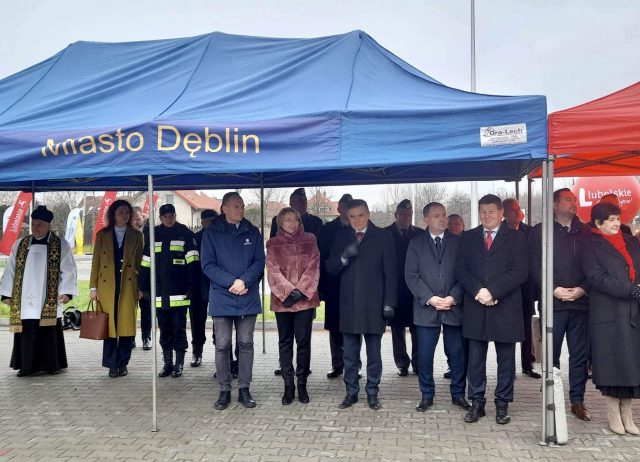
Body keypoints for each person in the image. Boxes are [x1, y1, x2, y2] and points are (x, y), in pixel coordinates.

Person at [456, 194, 528, 425]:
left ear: (501, 213)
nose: (487, 216)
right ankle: (477, 402)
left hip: (505, 307)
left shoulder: (516, 238)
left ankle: (502, 403)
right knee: (475, 359)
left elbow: (520, 271)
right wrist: (479, 292)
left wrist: (493, 292)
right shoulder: (467, 238)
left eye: (491, 211)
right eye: (483, 211)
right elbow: (461, 270)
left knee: (505, 359)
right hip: (476, 306)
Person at [327, 199, 397, 410]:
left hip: (375, 304)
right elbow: (330, 268)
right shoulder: (341, 236)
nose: (356, 220)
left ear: (368, 214)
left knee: (373, 354)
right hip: (349, 304)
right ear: (347, 217)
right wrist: (344, 257)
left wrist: (389, 303)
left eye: (360, 215)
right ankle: (351, 393)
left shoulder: (384, 236)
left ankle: (373, 393)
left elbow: (391, 273)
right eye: (352, 216)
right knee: (349, 354)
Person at [530, 188, 592, 421]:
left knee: (578, 356)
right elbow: (534, 264)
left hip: (580, 302)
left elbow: (594, 266)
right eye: (568, 199)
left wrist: (583, 288)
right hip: (553, 302)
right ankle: (551, 396)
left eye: (574, 199)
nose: (573, 202)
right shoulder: (541, 231)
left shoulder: (585, 231)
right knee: (551, 353)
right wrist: (552, 288)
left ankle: (577, 400)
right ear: (555, 204)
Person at [580, 202, 640, 435]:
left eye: (617, 219)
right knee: (614, 363)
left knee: (633, 364)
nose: (617, 224)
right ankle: (613, 412)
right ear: (598, 223)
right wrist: (630, 290)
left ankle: (628, 413)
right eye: (611, 220)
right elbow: (596, 278)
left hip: (634, 311)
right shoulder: (590, 245)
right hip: (608, 312)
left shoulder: (632, 241)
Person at [201, 192, 265, 410]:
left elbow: (259, 262)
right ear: (224, 209)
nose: (240, 210)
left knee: (246, 344)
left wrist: (244, 281)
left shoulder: (252, 231)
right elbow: (207, 265)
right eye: (236, 206)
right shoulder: (211, 233)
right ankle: (224, 390)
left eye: (242, 206)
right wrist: (231, 282)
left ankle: (244, 389)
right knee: (222, 345)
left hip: (247, 295)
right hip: (222, 296)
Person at [405, 202, 469, 412]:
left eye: (444, 215)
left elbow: (466, 274)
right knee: (425, 354)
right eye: (436, 216)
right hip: (426, 308)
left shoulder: (458, 243)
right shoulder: (416, 243)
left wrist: (453, 297)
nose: (443, 220)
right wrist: (430, 298)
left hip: (453, 307)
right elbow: (411, 276)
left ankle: (458, 394)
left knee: (457, 353)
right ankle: (426, 394)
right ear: (426, 220)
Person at [0, 206, 77, 376]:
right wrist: (7, 294)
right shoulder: (20, 244)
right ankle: (26, 366)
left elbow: (69, 270)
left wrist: (66, 292)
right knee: (27, 331)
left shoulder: (60, 245)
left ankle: (51, 365)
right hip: (24, 296)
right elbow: (11, 269)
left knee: (48, 332)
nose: (36, 228)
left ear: (49, 225)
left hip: (48, 296)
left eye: (40, 224)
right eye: (34, 224)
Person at [266, 207, 320, 405]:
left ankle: (302, 383)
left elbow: (314, 266)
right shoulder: (272, 243)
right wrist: (288, 292)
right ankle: (288, 385)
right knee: (285, 342)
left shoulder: (310, 239)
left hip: (305, 301)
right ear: (280, 222)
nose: (292, 223)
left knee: (303, 342)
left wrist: (301, 290)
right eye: (288, 219)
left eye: (295, 219)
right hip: (283, 301)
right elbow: (272, 270)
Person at [140, 204, 199, 378]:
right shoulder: (153, 235)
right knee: (164, 330)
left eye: (171, 215)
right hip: (158, 293)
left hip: (180, 293)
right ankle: (167, 363)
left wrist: (192, 286)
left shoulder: (186, 234)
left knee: (179, 330)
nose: (168, 218)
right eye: (165, 216)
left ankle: (179, 364)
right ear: (160, 217)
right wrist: (143, 287)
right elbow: (145, 263)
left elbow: (194, 263)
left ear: (175, 215)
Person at [90, 200, 144, 378]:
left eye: (127, 212)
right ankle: (112, 364)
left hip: (128, 284)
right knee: (110, 326)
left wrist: (140, 287)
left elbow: (140, 263)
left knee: (126, 327)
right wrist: (93, 288)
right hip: (107, 286)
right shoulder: (102, 234)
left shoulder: (137, 235)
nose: (124, 215)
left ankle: (123, 363)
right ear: (113, 214)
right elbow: (95, 263)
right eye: (121, 211)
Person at [502, 198, 540, 379]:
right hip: (504, 289)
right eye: (512, 210)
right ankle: (507, 368)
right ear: (504, 213)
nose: (517, 213)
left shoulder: (530, 232)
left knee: (526, 327)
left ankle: (528, 364)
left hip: (526, 288)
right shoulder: (498, 232)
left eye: (518, 209)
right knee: (506, 329)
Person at [318, 193, 354, 379]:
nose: (347, 211)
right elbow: (322, 259)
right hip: (334, 284)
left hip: (354, 285)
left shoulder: (358, 229)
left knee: (354, 325)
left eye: (350, 207)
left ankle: (355, 365)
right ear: (339, 209)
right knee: (334, 325)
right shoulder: (328, 229)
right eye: (345, 207)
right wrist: (322, 287)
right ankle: (337, 363)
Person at [386, 199, 420, 376]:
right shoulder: (385, 234)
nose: (406, 217)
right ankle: (402, 363)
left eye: (409, 215)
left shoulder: (420, 234)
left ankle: (418, 363)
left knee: (417, 328)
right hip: (395, 288)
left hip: (415, 290)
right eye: (403, 215)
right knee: (397, 329)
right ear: (396, 215)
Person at [190, 209, 218, 367]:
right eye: (208, 220)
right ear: (202, 222)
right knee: (197, 320)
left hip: (216, 284)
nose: (211, 223)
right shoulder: (196, 238)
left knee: (219, 322)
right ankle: (197, 351)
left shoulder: (221, 237)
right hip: (198, 285)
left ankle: (219, 354)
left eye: (214, 220)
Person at [443, 213, 466, 380]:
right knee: (450, 340)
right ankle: (453, 366)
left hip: (465, 300)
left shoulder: (468, 242)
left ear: (463, 225)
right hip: (445, 301)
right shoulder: (444, 243)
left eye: (456, 224)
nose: (453, 227)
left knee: (464, 341)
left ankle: (464, 368)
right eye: (450, 224)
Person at [132, 206, 151, 350]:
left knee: (146, 310)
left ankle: (146, 337)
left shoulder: (151, 232)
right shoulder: (127, 232)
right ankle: (129, 338)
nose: (135, 221)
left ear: (143, 216)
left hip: (146, 276)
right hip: (130, 276)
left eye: (138, 218)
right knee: (129, 310)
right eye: (133, 219)